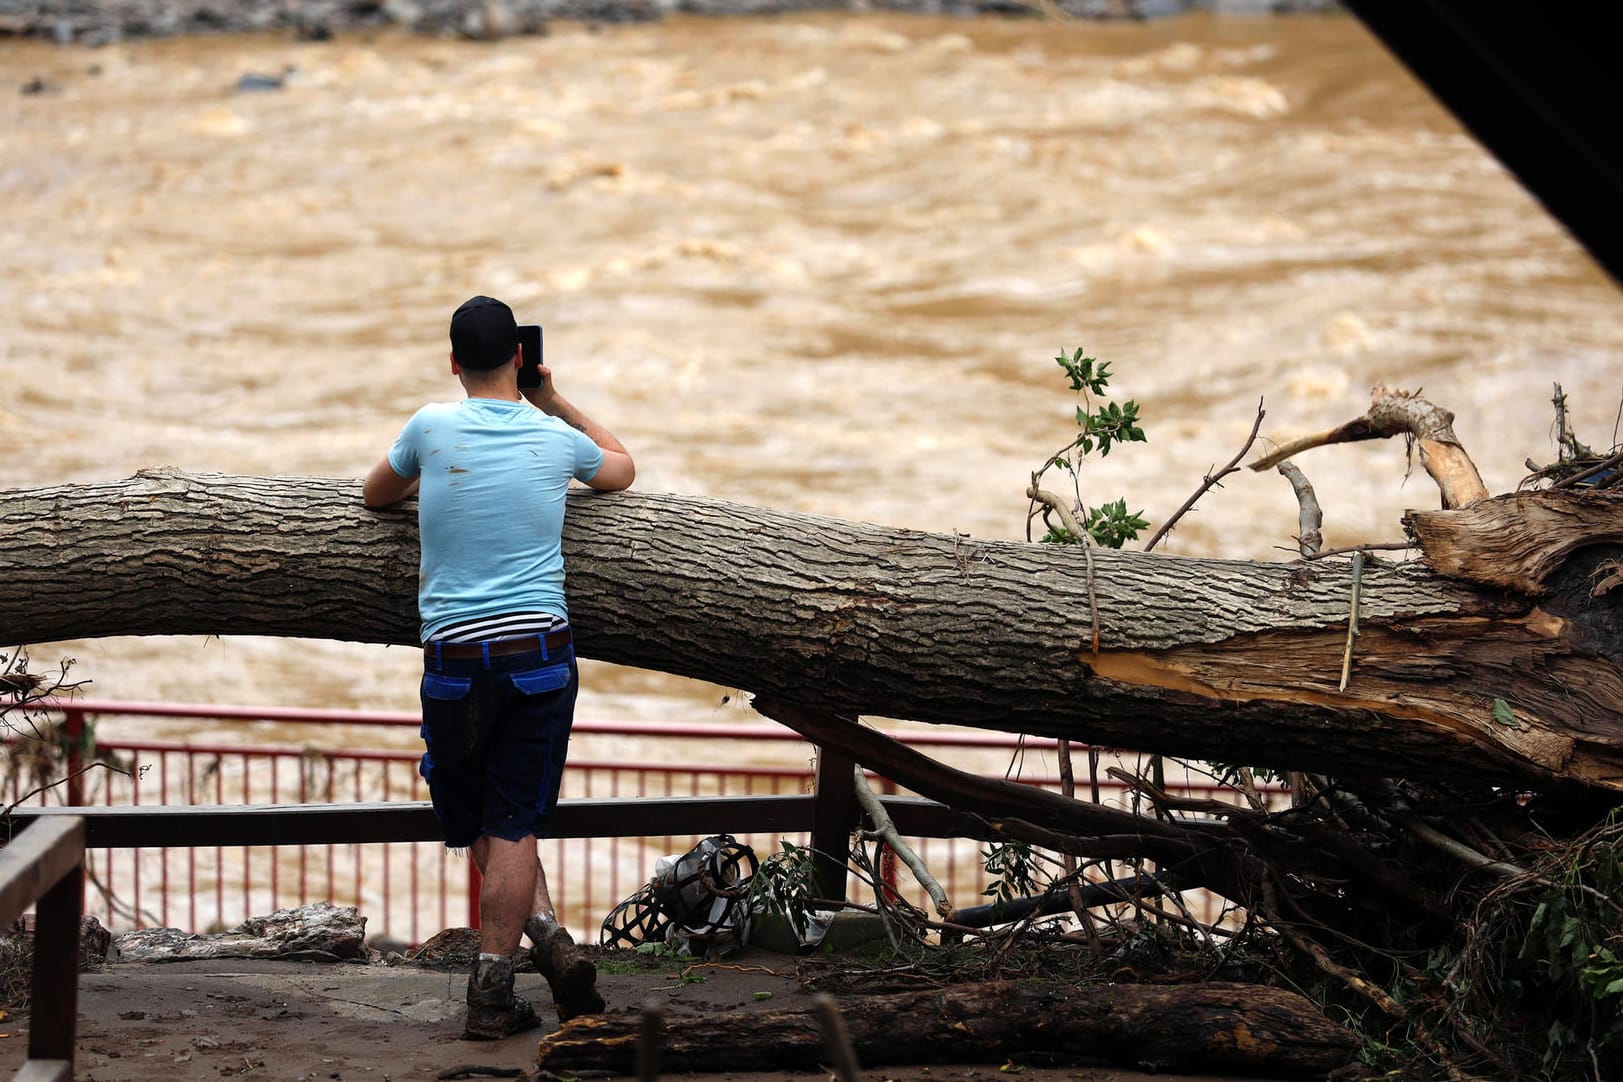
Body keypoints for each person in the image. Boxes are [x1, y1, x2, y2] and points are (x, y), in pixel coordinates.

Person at [362, 295, 634, 1040]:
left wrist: (434, 481)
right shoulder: (553, 440)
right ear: (519, 356)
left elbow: (373, 494)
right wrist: (554, 400)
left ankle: (492, 990)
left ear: (452, 363)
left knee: (488, 818)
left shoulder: (429, 427)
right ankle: (544, 938)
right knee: (507, 818)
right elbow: (621, 469)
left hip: (453, 658)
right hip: (538, 659)